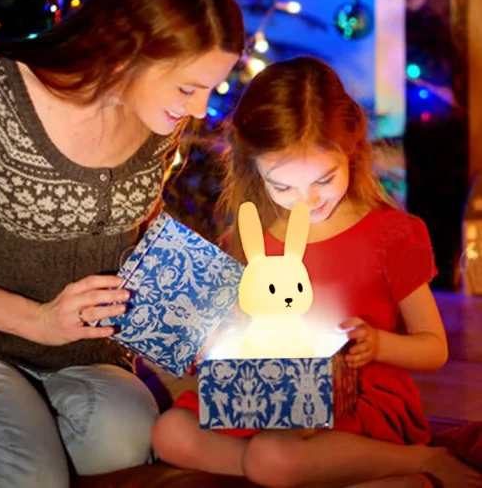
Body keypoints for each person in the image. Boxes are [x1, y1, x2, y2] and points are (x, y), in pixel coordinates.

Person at [151, 57, 482, 488]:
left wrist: (376, 344)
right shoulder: (250, 239)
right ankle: (333, 471)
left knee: (273, 456)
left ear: (351, 149)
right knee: (169, 433)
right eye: (283, 186)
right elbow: (238, 331)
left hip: (359, 402)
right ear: (255, 169)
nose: (305, 201)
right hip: (270, 397)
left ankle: (419, 460)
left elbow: (434, 348)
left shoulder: (390, 233)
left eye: (323, 180)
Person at [0, 0, 244, 487]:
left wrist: (199, 317)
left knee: (127, 438)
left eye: (211, 87)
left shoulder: (160, 124)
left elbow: (135, 241)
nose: (202, 109)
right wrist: (39, 319)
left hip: (88, 357)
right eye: (188, 87)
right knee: (29, 475)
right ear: (125, 51)